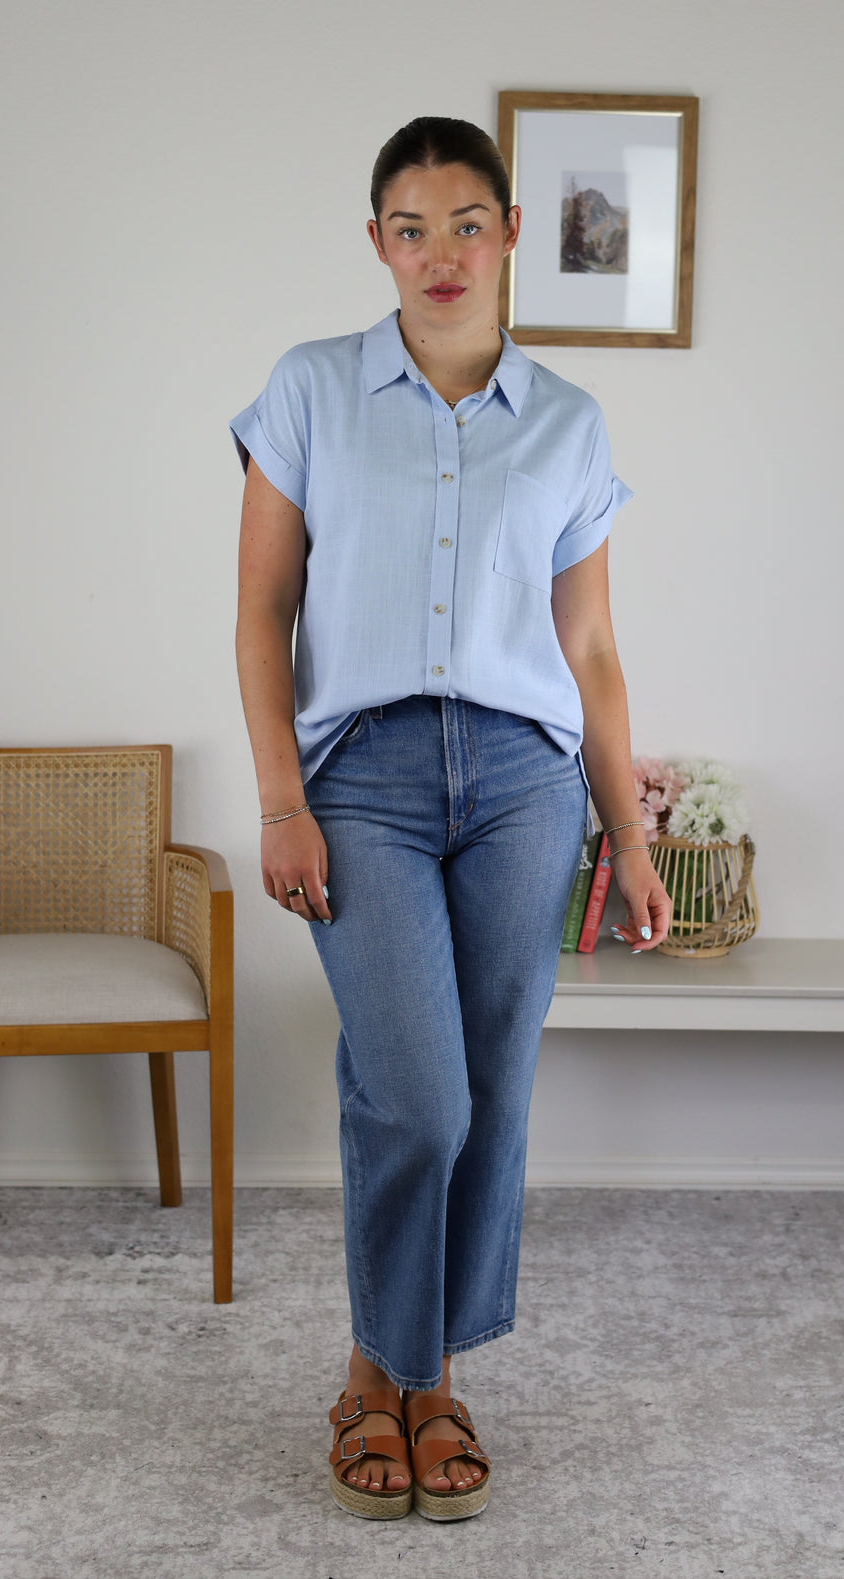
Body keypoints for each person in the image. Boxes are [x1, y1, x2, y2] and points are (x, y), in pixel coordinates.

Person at [232, 115, 670, 1523]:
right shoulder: (310, 390)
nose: (440, 254)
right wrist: (280, 799)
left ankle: (421, 1382)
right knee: (416, 1091)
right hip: (361, 776)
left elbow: (589, 649)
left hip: (525, 785)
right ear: (377, 242)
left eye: (467, 224)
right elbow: (262, 610)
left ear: (511, 232)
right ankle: (386, 1366)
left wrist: (631, 836)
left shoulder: (567, 422)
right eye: (411, 229)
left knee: (494, 1093)